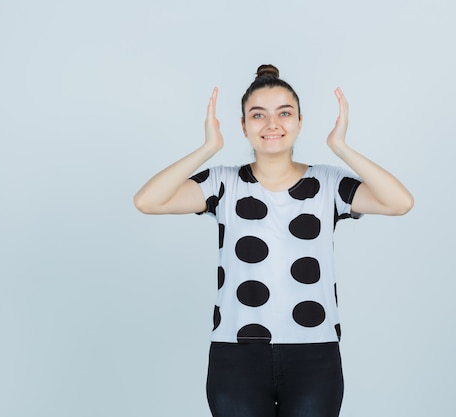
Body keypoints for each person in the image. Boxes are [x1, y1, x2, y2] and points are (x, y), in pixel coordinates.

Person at [133, 64, 413, 417]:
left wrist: (340, 147)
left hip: (315, 353)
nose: (272, 124)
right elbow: (148, 201)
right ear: (243, 126)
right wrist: (209, 147)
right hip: (236, 355)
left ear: (299, 120)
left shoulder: (328, 184)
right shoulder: (222, 183)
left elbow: (400, 203)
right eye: (258, 115)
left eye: (284, 113)